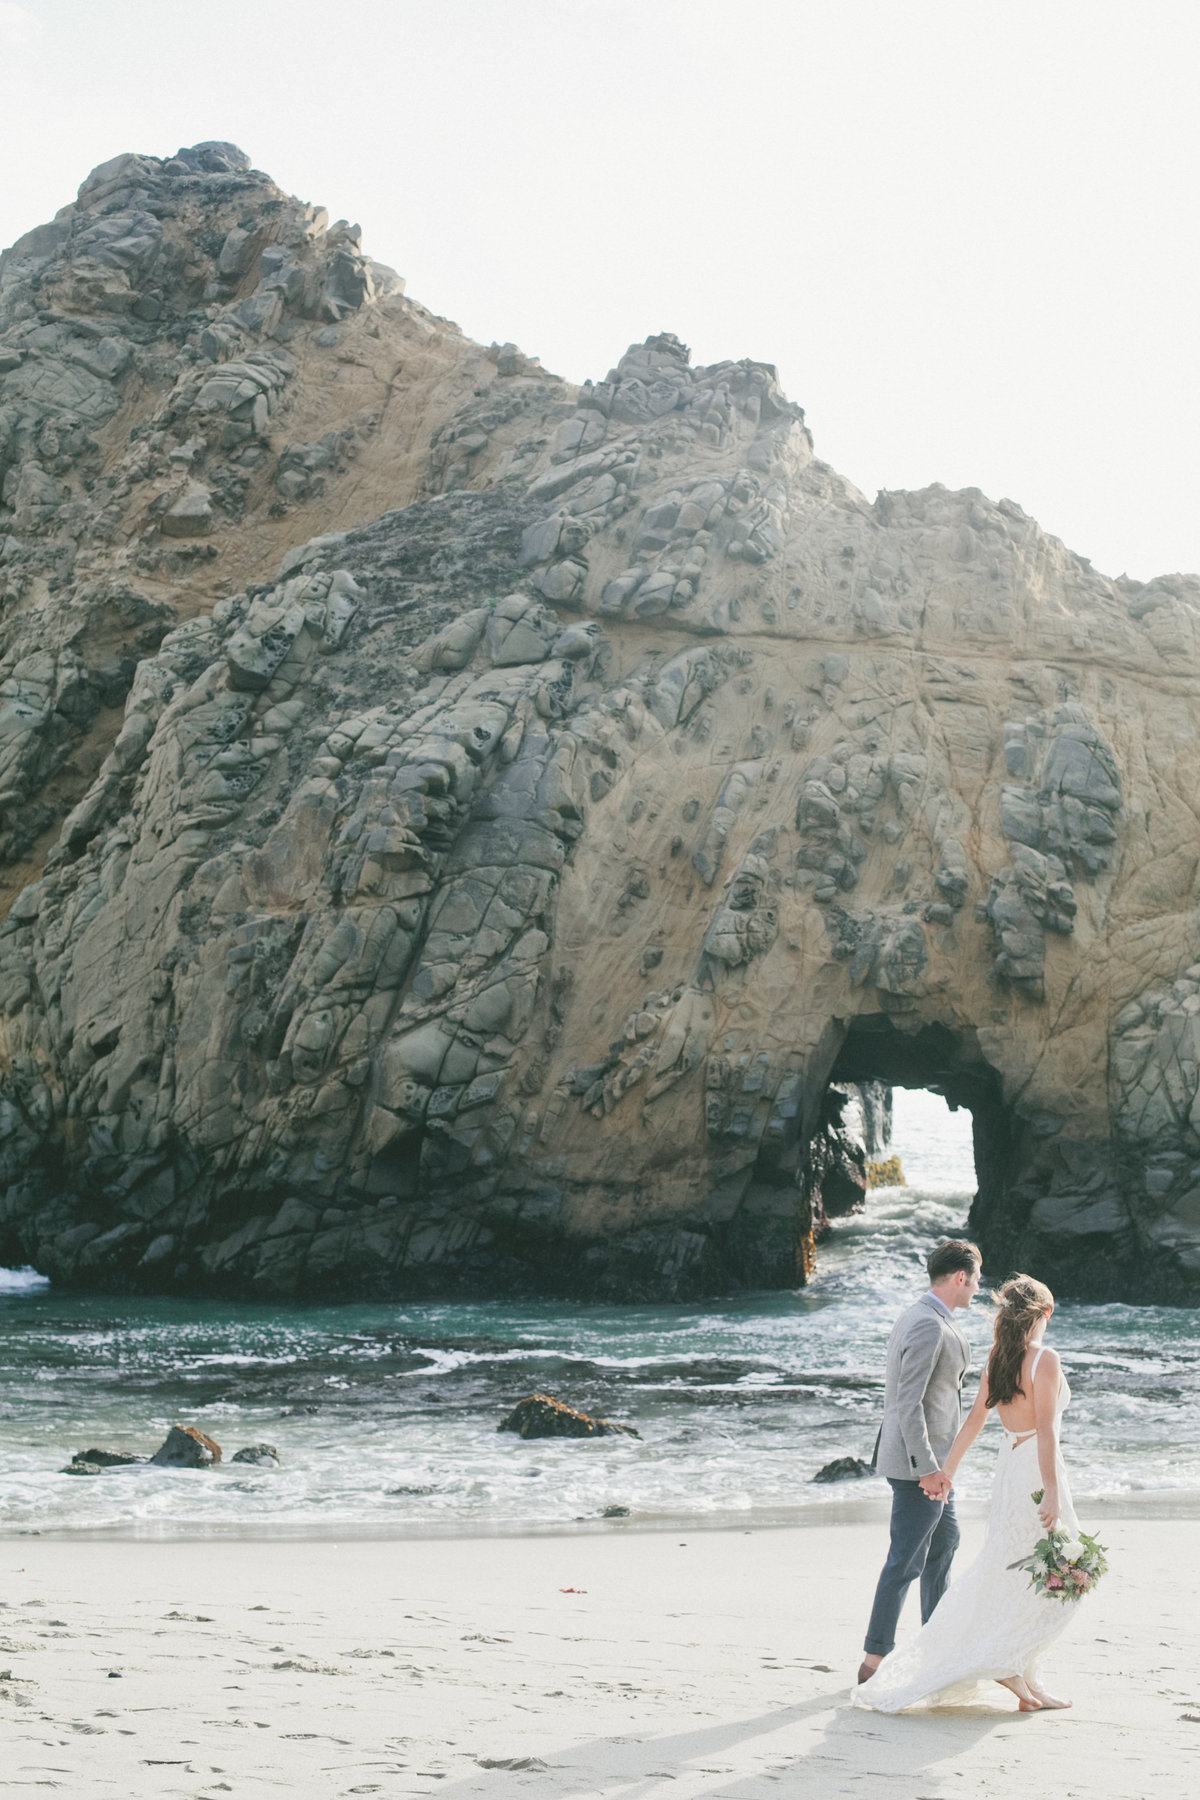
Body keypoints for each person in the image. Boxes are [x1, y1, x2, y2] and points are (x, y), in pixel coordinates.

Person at [854, 1273, 1083, 1713]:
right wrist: (1052, 1492)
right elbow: (1049, 1434)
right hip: (1037, 1472)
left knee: (1015, 1568)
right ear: (1045, 1314)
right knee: (1059, 1573)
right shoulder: (1045, 1359)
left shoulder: (998, 1356)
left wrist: (947, 1473)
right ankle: (1009, 1665)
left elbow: (975, 1423)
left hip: (1010, 1468)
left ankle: (1025, 1674)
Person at [856, 1239, 980, 1687]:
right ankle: (873, 1661)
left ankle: (936, 1645)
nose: (977, 1289)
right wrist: (928, 1467)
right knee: (905, 1561)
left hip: (930, 1465)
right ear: (960, 1276)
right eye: (976, 1280)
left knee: (945, 1545)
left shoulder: (923, 1315)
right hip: (919, 1467)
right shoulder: (928, 1324)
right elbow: (907, 1403)